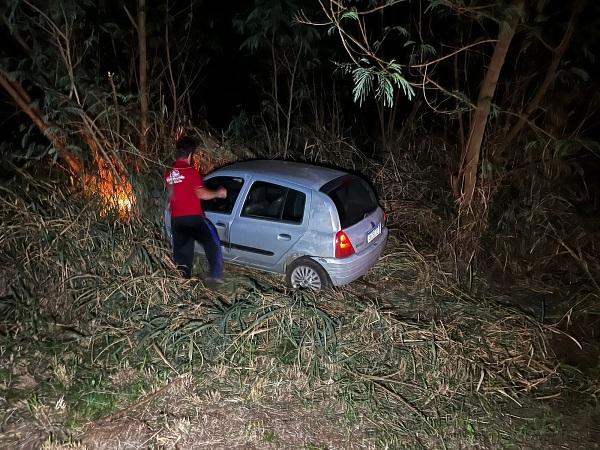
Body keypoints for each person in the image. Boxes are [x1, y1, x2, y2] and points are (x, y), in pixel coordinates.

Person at [165, 136, 227, 282]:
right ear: (190, 155)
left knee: (182, 253)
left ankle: (182, 281)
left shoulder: (169, 173)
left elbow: (171, 195)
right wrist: (219, 193)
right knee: (212, 242)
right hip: (193, 218)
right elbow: (201, 193)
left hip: (177, 220)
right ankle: (215, 276)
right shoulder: (191, 171)